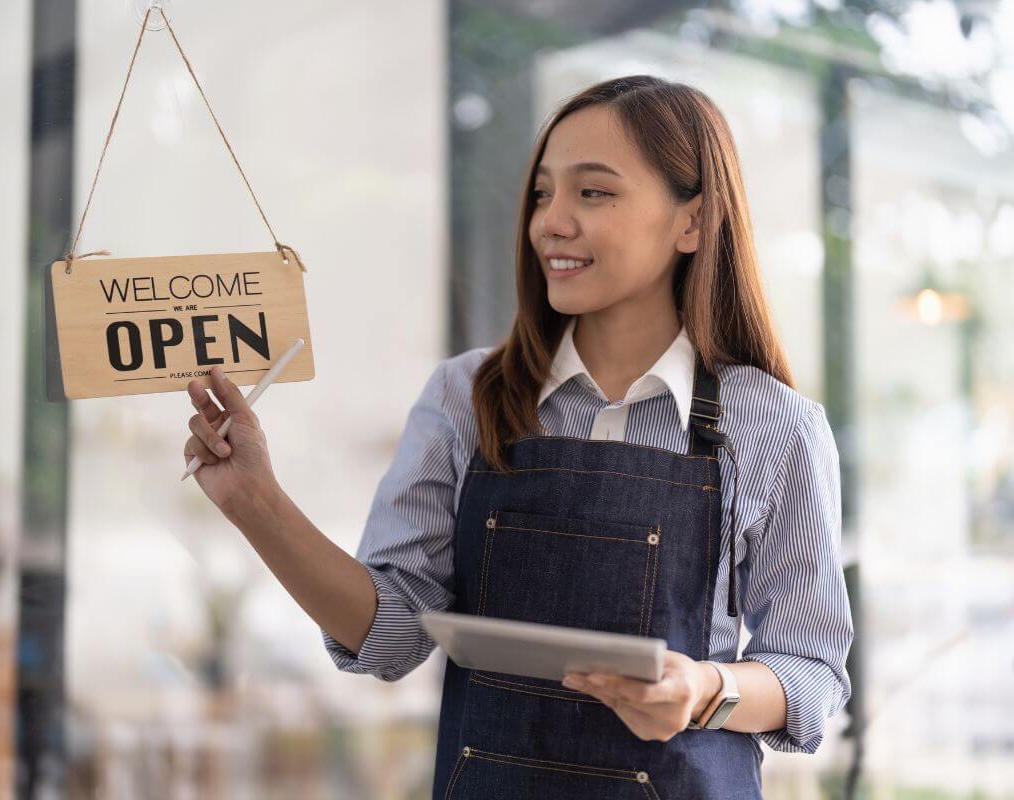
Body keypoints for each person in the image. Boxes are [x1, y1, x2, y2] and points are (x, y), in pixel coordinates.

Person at [181, 75, 853, 799]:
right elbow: (394, 634)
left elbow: (812, 672)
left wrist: (705, 689)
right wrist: (257, 502)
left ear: (691, 222)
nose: (549, 223)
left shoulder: (776, 427)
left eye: (592, 193)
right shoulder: (466, 398)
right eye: (541, 194)